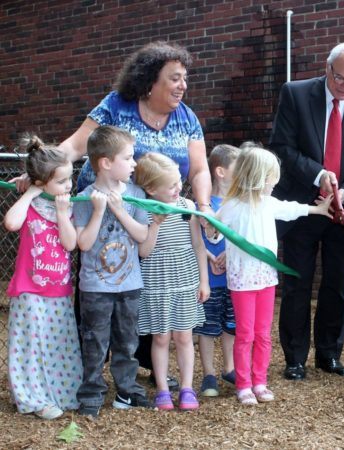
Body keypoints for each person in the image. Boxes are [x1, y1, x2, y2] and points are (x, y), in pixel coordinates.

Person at [47, 41, 211, 390]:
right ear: (150, 81)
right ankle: (86, 371)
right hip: (102, 214)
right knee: (98, 287)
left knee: (148, 289)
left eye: (185, 78)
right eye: (175, 78)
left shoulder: (187, 118)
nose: (183, 85)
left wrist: (205, 206)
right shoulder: (116, 106)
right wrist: (41, 171)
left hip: (151, 220)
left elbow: (199, 170)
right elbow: (76, 146)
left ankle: (147, 364)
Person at [270, 42, 344, 381]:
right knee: (297, 282)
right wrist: (319, 175)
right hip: (302, 205)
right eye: (341, 79)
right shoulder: (296, 94)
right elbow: (281, 146)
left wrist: (343, 192)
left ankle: (329, 354)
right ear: (327, 67)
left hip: (340, 210)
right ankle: (295, 358)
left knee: (336, 282)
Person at [214, 147, 333, 405]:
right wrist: (211, 231)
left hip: (266, 279)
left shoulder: (269, 204)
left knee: (263, 334)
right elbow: (217, 231)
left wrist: (318, 210)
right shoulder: (232, 207)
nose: (275, 183)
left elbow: (291, 209)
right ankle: (243, 384)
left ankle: (260, 381)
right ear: (257, 176)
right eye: (271, 178)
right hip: (242, 282)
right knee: (245, 333)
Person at [73, 125, 154, 418]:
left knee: (127, 340)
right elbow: (83, 243)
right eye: (129, 158)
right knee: (94, 342)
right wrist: (98, 211)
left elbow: (142, 235)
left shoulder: (135, 194)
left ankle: (127, 391)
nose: (134, 163)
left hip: (130, 284)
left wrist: (119, 210)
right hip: (96, 287)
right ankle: (92, 394)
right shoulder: (84, 197)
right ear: (106, 162)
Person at [4, 134, 82, 420]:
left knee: (59, 343)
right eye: (62, 182)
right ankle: (34, 397)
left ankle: (60, 393)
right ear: (41, 182)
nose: (68, 186)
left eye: (69, 180)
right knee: (31, 346)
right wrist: (29, 194)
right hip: (29, 291)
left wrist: (63, 213)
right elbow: (11, 223)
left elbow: (70, 243)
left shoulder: (67, 206)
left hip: (59, 291)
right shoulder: (32, 203)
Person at [134, 153, 210, 410]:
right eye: (172, 185)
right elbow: (144, 252)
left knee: (184, 337)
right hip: (156, 282)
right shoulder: (143, 210)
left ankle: (188, 388)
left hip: (185, 279)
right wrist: (155, 224)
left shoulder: (187, 207)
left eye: (179, 181)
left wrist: (204, 281)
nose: (178, 188)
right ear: (151, 189)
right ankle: (163, 390)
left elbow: (198, 246)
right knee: (161, 338)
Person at [193, 144, 240, 397]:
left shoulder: (239, 202)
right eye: (238, 167)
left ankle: (229, 368)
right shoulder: (204, 203)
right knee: (207, 327)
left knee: (230, 325)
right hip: (209, 277)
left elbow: (242, 236)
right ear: (220, 171)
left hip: (234, 277)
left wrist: (229, 254)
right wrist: (211, 256)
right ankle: (209, 373)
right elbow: (196, 238)